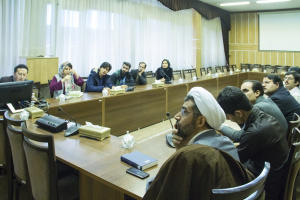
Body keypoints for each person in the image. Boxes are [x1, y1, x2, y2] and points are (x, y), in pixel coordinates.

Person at [143, 87, 254, 200]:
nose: (177, 117)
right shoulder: (227, 143)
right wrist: (182, 149)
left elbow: (158, 189)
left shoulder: (189, 155)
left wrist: (181, 151)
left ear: (200, 121)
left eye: (184, 112)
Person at [217, 86, 289, 200]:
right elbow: (248, 143)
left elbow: (236, 160)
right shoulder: (261, 116)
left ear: (238, 113)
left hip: (268, 184)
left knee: (220, 175)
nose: (229, 120)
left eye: (227, 116)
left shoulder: (255, 132)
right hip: (276, 172)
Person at [221, 80, 288, 141]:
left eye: (245, 91)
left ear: (257, 93)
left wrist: (222, 127)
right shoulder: (266, 100)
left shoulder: (257, 108)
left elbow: (240, 137)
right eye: (240, 91)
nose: (240, 95)